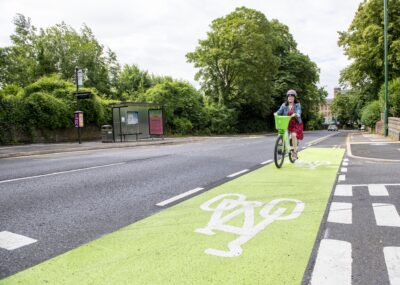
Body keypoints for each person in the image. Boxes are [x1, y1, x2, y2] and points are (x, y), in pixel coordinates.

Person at [275, 89, 304, 160]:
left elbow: (298, 111)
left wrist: (297, 114)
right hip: (286, 123)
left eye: (292, 96)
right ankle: (280, 146)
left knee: (294, 135)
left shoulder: (297, 105)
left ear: (294, 98)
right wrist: (276, 113)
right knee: (281, 133)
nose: (290, 98)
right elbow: (279, 111)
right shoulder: (284, 105)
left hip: (295, 123)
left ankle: (294, 152)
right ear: (287, 97)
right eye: (289, 96)